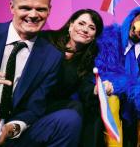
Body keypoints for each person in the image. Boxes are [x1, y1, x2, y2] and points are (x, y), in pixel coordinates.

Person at [0, 0, 81, 146]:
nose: (33, 15)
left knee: (69, 119)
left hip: (12, 130)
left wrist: (11, 128)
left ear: (49, 10)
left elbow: (35, 107)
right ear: (12, 7)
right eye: (25, 8)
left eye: (40, 9)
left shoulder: (52, 56)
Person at [95, 3, 140, 145]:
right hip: (116, 90)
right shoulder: (109, 36)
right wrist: (133, 89)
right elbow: (105, 71)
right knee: (111, 98)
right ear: (132, 18)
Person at [40, 9, 111, 146]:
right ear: (71, 25)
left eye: (91, 28)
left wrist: (96, 90)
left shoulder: (88, 60)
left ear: (94, 36)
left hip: (53, 104)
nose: (85, 30)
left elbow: (85, 86)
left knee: (82, 108)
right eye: (81, 23)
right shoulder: (46, 39)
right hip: (31, 100)